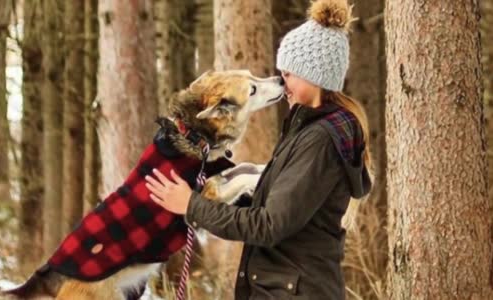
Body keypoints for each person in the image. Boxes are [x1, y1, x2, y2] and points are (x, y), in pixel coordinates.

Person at [145, 0, 373, 298]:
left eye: (289, 74)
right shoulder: (305, 130)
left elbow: (268, 225)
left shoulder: (320, 141)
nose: (283, 82)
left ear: (314, 76)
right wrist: (207, 198)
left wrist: (192, 206)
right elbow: (271, 210)